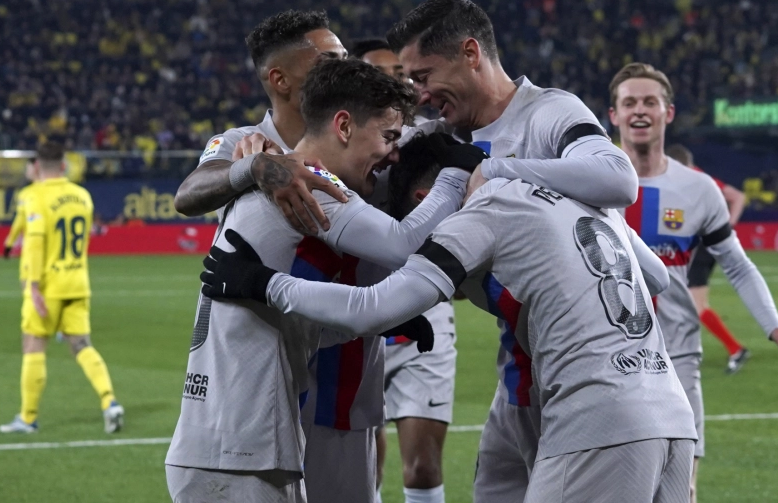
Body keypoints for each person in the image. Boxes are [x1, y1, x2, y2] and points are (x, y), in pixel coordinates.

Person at [201, 151, 699, 503]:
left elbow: (371, 307)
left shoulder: (480, 211)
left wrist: (262, 282)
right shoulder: (573, 194)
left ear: (427, 198)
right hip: (669, 413)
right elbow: (656, 277)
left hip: (598, 422)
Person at [164, 57, 479, 503]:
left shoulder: (280, 174)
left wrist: (380, 324)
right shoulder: (308, 181)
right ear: (344, 126)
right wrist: (457, 172)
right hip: (241, 448)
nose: (392, 153)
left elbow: (290, 325)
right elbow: (403, 244)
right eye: (389, 137)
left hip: (229, 440)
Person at [385, 0, 639, 503]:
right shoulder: (442, 136)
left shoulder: (548, 112)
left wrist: (497, 168)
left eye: (424, 76)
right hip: (520, 375)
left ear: (470, 53)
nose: (419, 95)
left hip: (586, 379)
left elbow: (618, 179)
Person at [608, 62, 778, 503]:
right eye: (629, 102)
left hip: (677, 360)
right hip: (605, 362)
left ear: (668, 112)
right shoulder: (589, 183)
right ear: (613, 115)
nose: (640, 110)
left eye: (650, 101)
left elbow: (739, 266)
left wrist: (777, 330)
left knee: (682, 492)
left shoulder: (699, 189)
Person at [354, 37, 460, 503]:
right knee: (363, 465)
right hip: (359, 319)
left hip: (424, 317)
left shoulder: (430, 143)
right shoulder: (341, 156)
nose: (394, 82)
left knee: (422, 466)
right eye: (379, 74)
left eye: (400, 74)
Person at [173, 10, 348, 235]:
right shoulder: (240, 143)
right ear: (281, 80)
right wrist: (252, 167)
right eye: (328, 62)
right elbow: (187, 195)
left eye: (346, 59)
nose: (347, 71)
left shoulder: (367, 142)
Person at [0, 142, 124, 434]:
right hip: (77, 282)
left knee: (33, 345)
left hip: (48, 285)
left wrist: (32, 286)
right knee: (81, 345)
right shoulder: (82, 196)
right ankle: (110, 402)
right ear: (64, 166)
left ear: (37, 166)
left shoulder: (35, 196)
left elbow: (36, 242)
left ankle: (28, 418)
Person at [665, 144, 750, 374]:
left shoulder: (696, 179)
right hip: (700, 245)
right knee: (682, 301)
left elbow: (738, 197)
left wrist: (726, 228)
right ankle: (680, 350)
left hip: (703, 246)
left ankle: (735, 349)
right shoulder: (698, 178)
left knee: (695, 304)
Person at [3, 157, 38, 288]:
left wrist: (9, 243)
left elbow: (19, 222)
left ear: (36, 168)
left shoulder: (27, 194)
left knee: (28, 288)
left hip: (32, 248)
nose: (26, 172)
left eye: (28, 168)